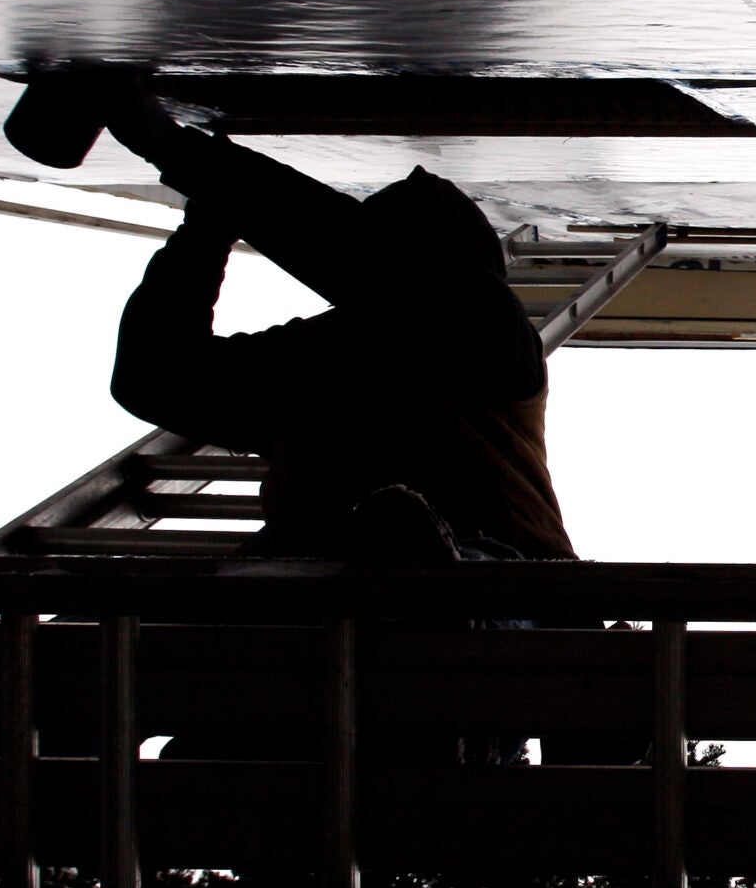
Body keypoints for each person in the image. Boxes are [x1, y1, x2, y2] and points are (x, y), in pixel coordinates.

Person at [83, 78, 574, 565]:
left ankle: (430, 568)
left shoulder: (489, 326)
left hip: (494, 584)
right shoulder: (316, 353)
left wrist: (185, 166)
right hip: (364, 589)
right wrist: (205, 227)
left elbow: (352, 252)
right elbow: (155, 377)